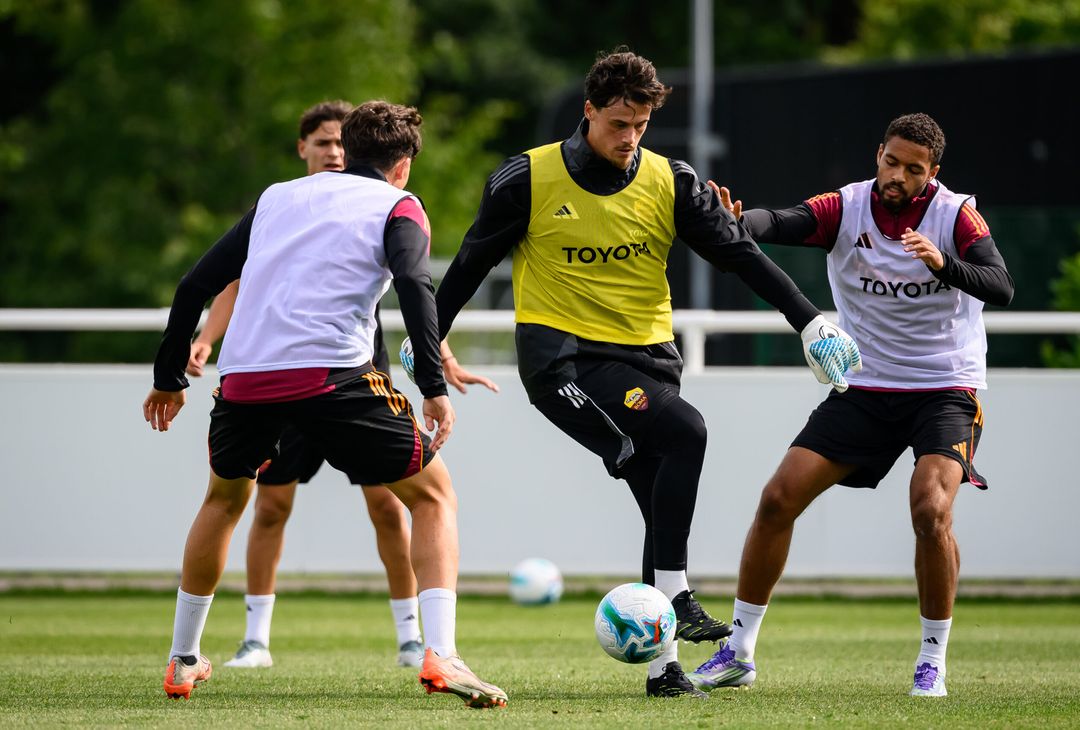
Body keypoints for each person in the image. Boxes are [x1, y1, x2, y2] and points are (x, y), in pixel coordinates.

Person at [430, 48, 859, 699]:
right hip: (565, 362)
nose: (629, 139)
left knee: (660, 493)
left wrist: (809, 320)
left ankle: (663, 671)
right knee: (683, 433)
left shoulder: (672, 181)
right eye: (617, 125)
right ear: (589, 111)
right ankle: (680, 595)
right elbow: (465, 266)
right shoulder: (528, 179)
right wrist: (428, 337)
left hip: (649, 359)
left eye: (640, 125)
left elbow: (738, 255)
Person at [144, 100, 507, 708]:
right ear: (403, 165)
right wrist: (435, 390)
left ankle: (182, 659)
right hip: (333, 379)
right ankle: (439, 653)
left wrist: (168, 377)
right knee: (433, 496)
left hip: (245, 382)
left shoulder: (277, 198)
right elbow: (417, 287)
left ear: (348, 149)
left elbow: (193, 287)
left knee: (224, 499)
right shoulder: (400, 206)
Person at [689, 113, 1014, 698]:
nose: (898, 176)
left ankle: (932, 660)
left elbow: (1000, 284)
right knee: (777, 499)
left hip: (944, 387)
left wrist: (943, 264)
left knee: (929, 510)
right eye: (892, 161)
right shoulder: (848, 206)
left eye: (914, 169)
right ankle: (737, 651)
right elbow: (783, 221)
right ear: (879, 155)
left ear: (932, 174)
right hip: (866, 387)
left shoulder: (955, 216)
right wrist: (741, 220)